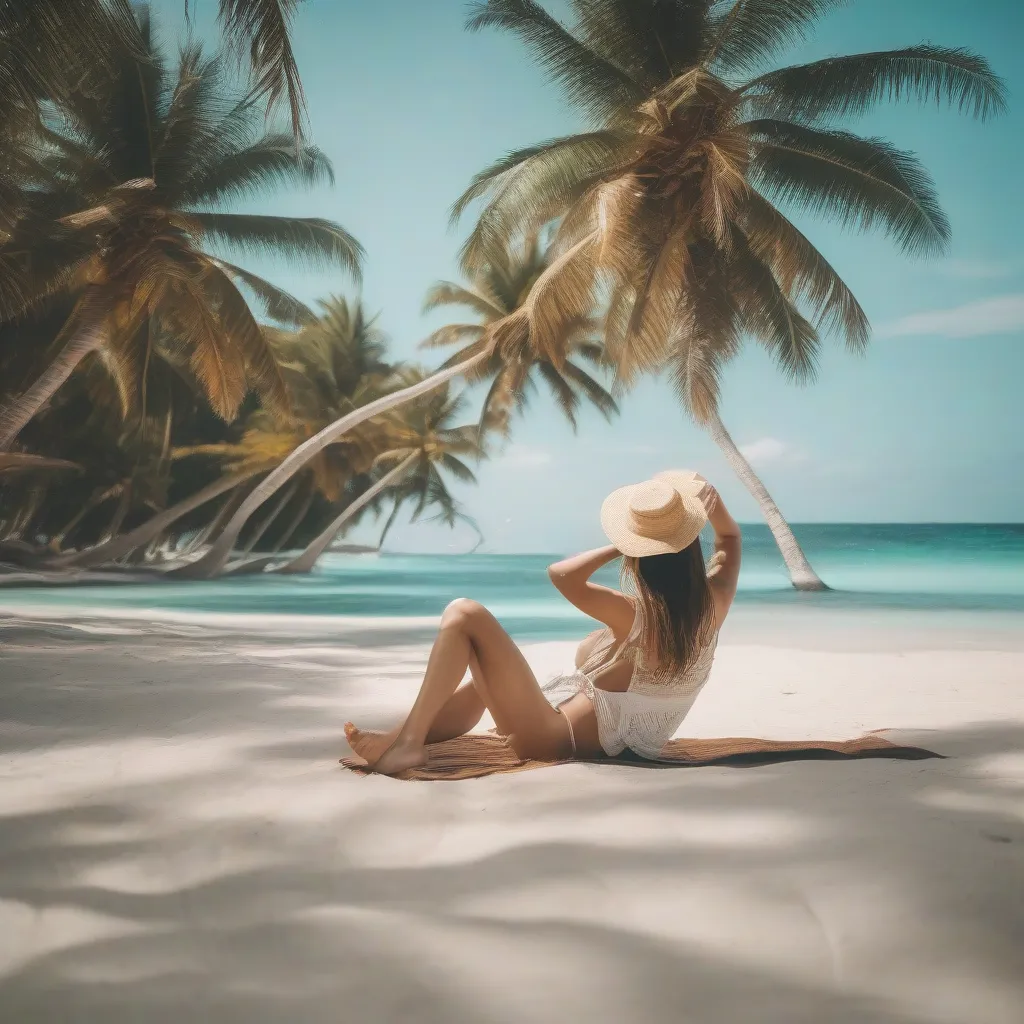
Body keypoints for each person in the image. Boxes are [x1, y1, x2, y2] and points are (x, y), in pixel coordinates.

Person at [349, 470, 741, 776]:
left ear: (637, 556)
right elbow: (730, 540)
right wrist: (705, 514)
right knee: (482, 671)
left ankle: (410, 743)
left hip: (552, 739)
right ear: (690, 550)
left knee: (464, 614)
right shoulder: (713, 605)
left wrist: (628, 542)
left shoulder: (639, 617)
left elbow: (561, 574)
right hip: (572, 736)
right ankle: (396, 738)